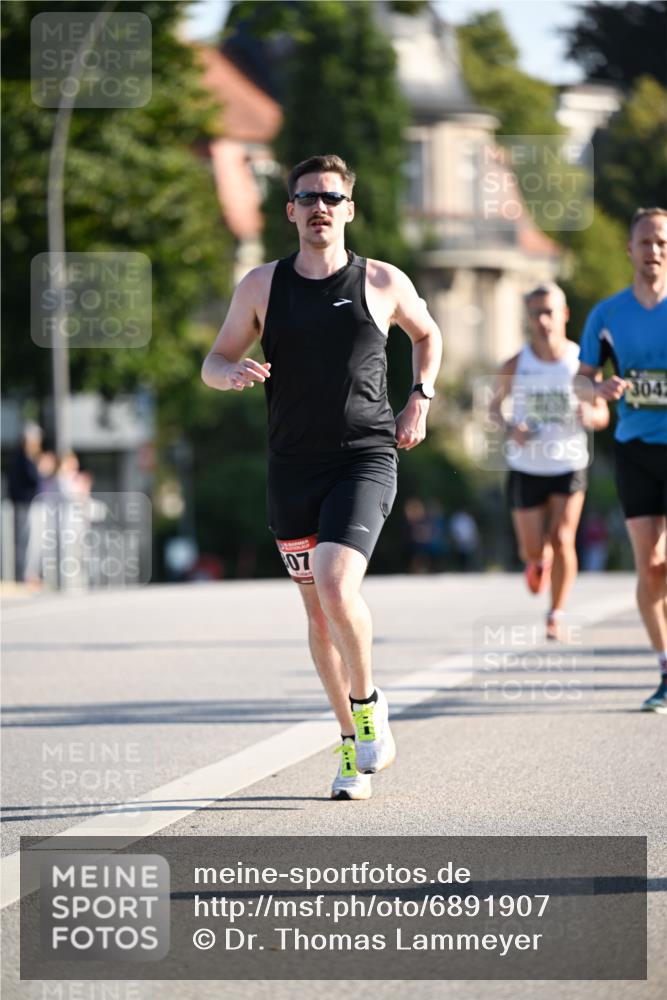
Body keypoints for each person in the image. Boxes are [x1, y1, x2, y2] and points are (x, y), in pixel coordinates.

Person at [202, 154, 443, 798]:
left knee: (337, 586)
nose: (319, 207)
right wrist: (225, 373)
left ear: (349, 209)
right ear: (290, 211)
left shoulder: (383, 281)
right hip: (292, 466)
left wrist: (420, 395)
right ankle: (348, 745)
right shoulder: (261, 287)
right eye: (307, 197)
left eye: (331, 198)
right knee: (316, 614)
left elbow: (428, 334)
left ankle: (369, 709)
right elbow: (216, 356)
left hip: (364, 455)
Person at [579, 207, 667, 713]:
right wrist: (599, 388)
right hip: (635, 446)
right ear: (629, 250)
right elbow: (579, 379)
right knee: (651, 566)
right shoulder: (607, 315)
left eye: (661, 242)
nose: (653, 251)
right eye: (645, 242)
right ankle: (663, 665)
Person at [491, 283, 609, 639]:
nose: (543, 320)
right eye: (536, 313)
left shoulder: (581, 363)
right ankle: (536, 562)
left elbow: (603, 414)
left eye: (549, 312)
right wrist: (513, 426)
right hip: (527, 465)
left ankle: (556, 613)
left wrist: (591, 414)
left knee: (562, 538)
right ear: (528, 318)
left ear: (564, 314)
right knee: (532, 548)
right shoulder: (516, 363)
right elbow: (494, 409)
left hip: (569, 463)